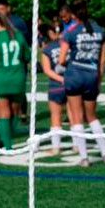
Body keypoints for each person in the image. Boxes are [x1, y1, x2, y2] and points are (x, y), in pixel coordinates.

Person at [58, 0, 105, 167]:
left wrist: (70, 62)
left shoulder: (70, 32)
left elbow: (61, 59)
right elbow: (102, 61)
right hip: (92, 76)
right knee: (92, 116)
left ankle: (84, 157)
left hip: (75, 75)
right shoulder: (99, 30)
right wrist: (99, 80)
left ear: (73, 14)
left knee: (76, 117)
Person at [0, 10, 30, 151]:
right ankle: (6, 139)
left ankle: (7, 145)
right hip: (18, 78)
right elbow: (27, 56)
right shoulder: (18, 36)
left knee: (3, 112)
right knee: (15, 112)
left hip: (0, 80)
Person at [40, 22, 66, 156]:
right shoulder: (69, 45)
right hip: (70, 84)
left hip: (55, 86)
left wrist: (60, 79)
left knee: (55, 116)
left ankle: (56, 148)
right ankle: (78, 146)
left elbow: (47, 70)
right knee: (74, 117)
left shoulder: (48, 49)